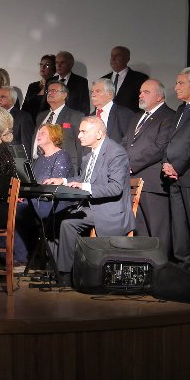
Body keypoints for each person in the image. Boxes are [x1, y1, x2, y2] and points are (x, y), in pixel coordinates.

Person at [43, 116, 135, 285]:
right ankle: (58, 268)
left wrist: (85, 186)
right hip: (91, 206)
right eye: (80, 131)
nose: (79, 136)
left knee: (68, 223)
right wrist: (63, 181)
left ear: (99, 133)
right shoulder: (89, 155)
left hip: (109, 209)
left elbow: (115, 188)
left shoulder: (116, 152)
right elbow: (83, 178)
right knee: (54, 218)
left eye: (84, 131)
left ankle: (67, 275)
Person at [122, 79, 175, 255]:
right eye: (140, 92)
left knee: (157, 231)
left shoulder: (169, 116)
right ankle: (143, 268)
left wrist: (132, 165)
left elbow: (159, 147)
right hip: (131, 181)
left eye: (146, 92)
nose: (140, 95)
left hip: (152, 184)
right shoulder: (136, 116)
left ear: (159, 96)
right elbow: (125, 142)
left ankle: (161, 270)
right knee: (139, 230)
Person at [13, 124, 75, 266]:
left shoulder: (62, 156)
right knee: (10, 207)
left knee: (17, 210)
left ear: (53, 136)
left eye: (43, 133)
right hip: (37, 199)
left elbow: (54, 187)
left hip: (54, 202)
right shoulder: (39, 159)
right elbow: (33, 184)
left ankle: (20, 258)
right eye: (38, 132)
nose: (38, 135)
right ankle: (15, 256)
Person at [162, 66, 190, 272]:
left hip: (189, 174)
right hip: (173, 175)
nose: (175, 87)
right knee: (179, 223)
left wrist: (178, 166)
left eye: (180, 83)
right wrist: (166, 163)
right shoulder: (181, 110)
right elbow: (170, 140)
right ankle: (183, 264)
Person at [32, 81, 85, 175]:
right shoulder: (41, 116)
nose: (50, 93)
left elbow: (80, 146)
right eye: (48, 91)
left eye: (54, 91)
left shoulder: (75, 116)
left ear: (64, 95)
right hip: (38, 164)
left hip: (63, 168)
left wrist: (78, 170)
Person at [102, 46, 149, 113]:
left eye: (117, 56)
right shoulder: (103, 80)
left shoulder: (140, 78)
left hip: (131, 120)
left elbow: (145, 103)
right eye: (112, 56)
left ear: (127, 58)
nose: (113, 58)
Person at [89, 78, 136, 144]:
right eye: (92, 91)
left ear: (110, 95)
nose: (93, 95)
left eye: (98, 91)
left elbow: (129, 141)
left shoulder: (124, 114)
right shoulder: (90, 117)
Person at [0, 86, 34, 158]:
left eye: (3, 97)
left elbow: (26, 144)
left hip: (14, 159)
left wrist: (25, 164)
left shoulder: (23, 117)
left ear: (12, 100)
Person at [21, 54, 56, 120]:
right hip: (29, 122)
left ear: (53, 69)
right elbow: (24, 107)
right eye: (41, 64)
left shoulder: (56, 86)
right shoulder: (32, 86)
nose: (43, 67)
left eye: (47, 65)